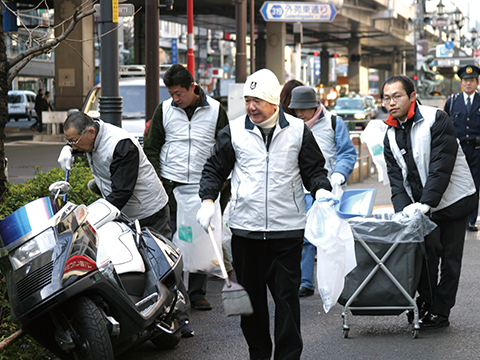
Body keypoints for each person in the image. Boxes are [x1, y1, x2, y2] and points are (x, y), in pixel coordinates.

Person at [196, 68, 331, 360]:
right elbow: (214, 169)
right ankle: (258, 354)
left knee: (286, 301)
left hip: (287, 232)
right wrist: (208, 199)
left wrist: (321, 190)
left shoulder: (297, 130)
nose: (251, 107)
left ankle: (288, 356)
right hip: (247, 232)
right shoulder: (233, 132)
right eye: (247, 100)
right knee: (252, 304)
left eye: (257, 100)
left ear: (273, 102)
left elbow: (314, 169)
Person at [382, 75, 476, 330]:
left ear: (412, 96)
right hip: (420, 207)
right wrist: (403, 212)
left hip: (453, 200)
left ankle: (440, 312)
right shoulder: (389, 133)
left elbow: (440, 166)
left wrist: (426, 203)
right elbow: (396, 180)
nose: (391, 102)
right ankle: (427, 302)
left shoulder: (436, 119)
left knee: (450, 259)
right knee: (424, 255)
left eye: (397, 96)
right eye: (387, 98)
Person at [143, 64, 229, 336]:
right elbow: (152, 146)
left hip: (204, 184)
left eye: (178, 92)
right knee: (172, 241)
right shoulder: (164, 110)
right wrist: (157, 178)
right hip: (171, 183)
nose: (175, 98)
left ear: (193, 87)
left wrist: (221, 185)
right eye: (171, 93)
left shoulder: (215, 110)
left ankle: (198, 293)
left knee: (202, 236)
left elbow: (225, 148)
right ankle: (175, 296)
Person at [288, 85, 357, 297]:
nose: (299, 113)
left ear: (314, 106)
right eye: (296, 110)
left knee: (333, 238)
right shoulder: (292, 126)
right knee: (305, 237)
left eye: (303, 109)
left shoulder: (334, 123)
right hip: (300, 190)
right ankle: (305, 282)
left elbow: (347, 153)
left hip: (329, 190)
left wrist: (339, 174)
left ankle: (339, 284)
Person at [57, 112, 172, 239]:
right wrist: (68, 148)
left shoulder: (121, 145)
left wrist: (89, 217)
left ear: (91, 132)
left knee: (157, 256)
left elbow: (121, 193)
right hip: (125, 212)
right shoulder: (91, 134)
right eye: (69, 141)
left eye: (75, 141)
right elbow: (79, 140)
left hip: (149, 212)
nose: (74, 146)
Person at [444, 65, 480, 231]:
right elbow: (445, 124)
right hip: (457, 150)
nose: (468, 84)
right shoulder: (452, 102)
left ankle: (471, 220)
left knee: (474, 184)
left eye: (471, 81)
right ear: (461, 83)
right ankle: (457, 217)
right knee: (456, 182)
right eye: (465, 80)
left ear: (477, 83)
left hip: (477, 150)